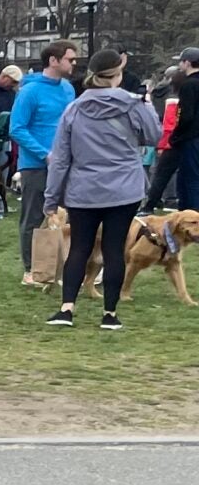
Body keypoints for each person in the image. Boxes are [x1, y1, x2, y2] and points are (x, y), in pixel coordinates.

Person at [44, 49, 162, 331]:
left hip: (83, 189)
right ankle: (109, 313)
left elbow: (60, 157)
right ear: (117, 74)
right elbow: (154, 136)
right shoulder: (132, 105)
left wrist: (51, 197)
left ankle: (66, 308)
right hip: (124, 188)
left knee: (80, 248)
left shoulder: (74, 108)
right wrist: (146, 104)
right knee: (114, 248)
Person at [10, 41, 76, 282]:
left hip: (66, 163)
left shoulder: (68, 89)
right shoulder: (30, 91)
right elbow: (16, 128)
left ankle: (60, 264)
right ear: (53, 61)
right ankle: (32, 269)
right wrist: (45, 154)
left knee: (68, 215)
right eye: (70, 59)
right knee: (34, 216)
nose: (74, 63)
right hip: (36, 165)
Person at [157, 46, 199, 214]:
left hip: (191, 138)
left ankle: (192, 212)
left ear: (187, 63)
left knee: (191, 179)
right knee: (186, 177)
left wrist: (176, 136)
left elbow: (185, 115)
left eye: (181, 62)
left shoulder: (189, 85)